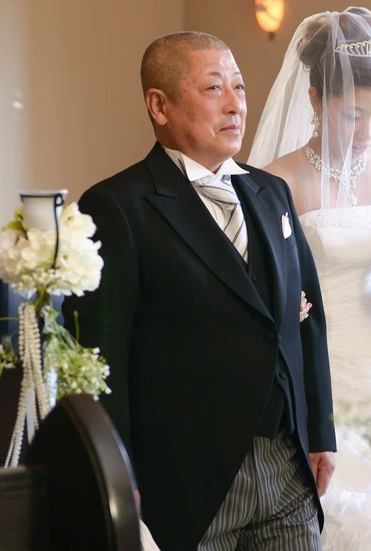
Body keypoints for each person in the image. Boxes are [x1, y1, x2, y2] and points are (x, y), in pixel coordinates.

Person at [62, 31, 336, 551]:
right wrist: (115, 474)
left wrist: (320, 431)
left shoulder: (271, 192)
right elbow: (102, 361)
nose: (236, 104)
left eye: (239, 86)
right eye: (214, 88)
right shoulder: (116, 206)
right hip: (190, 480)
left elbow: (310, 318)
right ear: (159, 105)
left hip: (287, 465)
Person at [249, 7, 371, 550]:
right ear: (315, 101)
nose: (368, 133)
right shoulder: (277, 180)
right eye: (354, 116)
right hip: (321, 370)